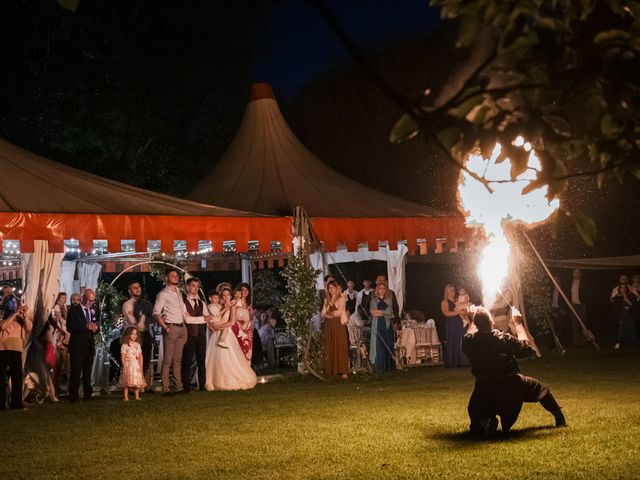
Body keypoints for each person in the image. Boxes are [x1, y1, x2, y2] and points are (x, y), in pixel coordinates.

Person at [462, 306, 566, 436]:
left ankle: (487, 420)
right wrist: (518, 324)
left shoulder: (470, 341)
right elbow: (526, 349)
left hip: (484, 388)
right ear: (491, 322)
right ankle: (559, 416)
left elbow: (469, 333)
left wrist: (472, 320)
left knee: (479, 406)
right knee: (540, 388)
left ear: (476, 324)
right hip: (510, 385)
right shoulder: (504, 339)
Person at [204, 287, 257, 390]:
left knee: (227, 357)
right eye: (223, 295)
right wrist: (212, 325)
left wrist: (217, 327)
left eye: (228, 295)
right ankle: (213, 381)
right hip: (216, 335)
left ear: (230, 295)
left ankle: (227, 380)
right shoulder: (218, 307)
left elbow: (232, 322)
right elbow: (214, 318)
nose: (226, 297)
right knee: (215, 359)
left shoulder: (232, 307)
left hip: (226, 334)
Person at [153, 269, 188, 396]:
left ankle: (178, 387)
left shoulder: (178, 292)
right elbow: (156, 312)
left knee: (177, 359)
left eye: (176, 275)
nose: (175, 277)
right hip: (171, 327)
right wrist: (165, 327)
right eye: (172, 275)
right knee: (168, 359)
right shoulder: (163, 293)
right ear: (167, 277)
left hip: (182, 327)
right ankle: (166, 388)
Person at [66, 289, 99, 403]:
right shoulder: (73, 311)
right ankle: (74, 396)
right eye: (88, 300)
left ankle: (88, 394)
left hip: (89, 346)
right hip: (77, 346)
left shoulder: (92, 311)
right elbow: (70, 328)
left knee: (87, 372)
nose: (90, 303)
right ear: (83, 298)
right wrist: (85, 327)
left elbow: (95, 326)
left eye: (92, 300)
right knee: (75, 372)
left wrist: (95, 329)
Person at [122, 281, 155, 389]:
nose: (138, 289)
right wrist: (143, 317)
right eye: (134, 287)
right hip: (133, 335)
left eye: (139, 287)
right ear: (129, 291)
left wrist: (141, 317)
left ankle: (145, 385)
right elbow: (132, 321)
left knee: (146, 359)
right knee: (134, 360)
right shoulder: (127, 305)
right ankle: (133, 385)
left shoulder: (147, 303)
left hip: (145, 333)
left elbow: (152, 318)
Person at [0, 301, 32, 410]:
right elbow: (3, 326)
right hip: (3, 349)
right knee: (1, 378)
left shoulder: (21, 320)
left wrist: (25, 316)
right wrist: (14, 314)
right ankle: (1, 405)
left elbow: (29, 328)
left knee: (17, 377)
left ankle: (16, 404)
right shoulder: (3, 316)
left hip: (17, 349)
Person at [181, 277, 210, 392]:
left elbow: (208, 318)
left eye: (197, 286)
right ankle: (186, 387)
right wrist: (203, 318)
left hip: (201, 335)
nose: (196, 288)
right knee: (187, 360)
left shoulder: (202, 303)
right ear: (187, 287)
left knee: (201, 361)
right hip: (189, 335)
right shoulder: (183, 303)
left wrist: (197, 318)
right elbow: (187, 320)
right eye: (193, 285)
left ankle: (202, 386)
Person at [321, 280, 349, 379]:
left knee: (340, 345)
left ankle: (343, 371)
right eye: (329, 288)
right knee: (330, 345)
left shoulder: (341, 298)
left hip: (338, 325)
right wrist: (328, 315)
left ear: (336, 288)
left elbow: (339, 311)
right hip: (329, 325)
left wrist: (329, 313)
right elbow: (323, 313)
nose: (331, 290)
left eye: (333, 287)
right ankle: (331, 369)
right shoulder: (326, 300)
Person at [441, 284, 469, 368]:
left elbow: (465, 309)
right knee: (453, 341)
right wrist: (459, 312)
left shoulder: (457, 300)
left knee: (462, 340)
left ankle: (463, 361)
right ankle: (454, 362)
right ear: (446, 292)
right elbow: (446, 313)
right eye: (449, 290)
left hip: (461, 322)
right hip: (452, 324)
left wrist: (465, 313)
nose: (452, 292)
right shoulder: (445, 302)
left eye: (453, 290)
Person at [369, 282, 395, 372]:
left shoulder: (389, 300)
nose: (382, 290)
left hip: (386, 325)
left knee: (387, 343)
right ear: (377, 290)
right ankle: (379, 367)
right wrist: (383, 312)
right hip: (377, 325)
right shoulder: (374, 300)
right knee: (378, 345)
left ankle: (388, 367)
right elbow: (372, 312)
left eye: (384, 288)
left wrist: (379, 312)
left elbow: (389, 312)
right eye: (380, 288)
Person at [118, 326, 145, 401]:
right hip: (128, 365)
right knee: (127, 382)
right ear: (128, 335)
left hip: (136, 365)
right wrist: (124, 365)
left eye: (136, 334)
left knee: (137, 381)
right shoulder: (125, 345)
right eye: (132, 334)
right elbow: (123, 356)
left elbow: (140, 356)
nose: (134, 336)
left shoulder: (137, 345)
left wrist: (141, 365)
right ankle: (126, 397)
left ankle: (137, 396)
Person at [51, 292, 69, 396]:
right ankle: (54, 390)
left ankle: (58, 389)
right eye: (62, 298)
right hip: (58, 338)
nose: (64, 300)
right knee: (56, 367)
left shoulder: (64, 309)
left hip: (65, 339)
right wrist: (65, 333)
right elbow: (57, 324)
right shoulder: (56, 308)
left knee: (63, 367)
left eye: (65, 298)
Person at [612, 283, 638, 349]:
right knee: (620, 328)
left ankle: (630, 343)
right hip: (620, 315)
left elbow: (633, 305)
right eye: (622, 288)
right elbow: (616, 307)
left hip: (629, 315)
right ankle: (618, 342)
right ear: (619, 289)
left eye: (624, 288)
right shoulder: (617, 297)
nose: (623, 289)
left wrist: (626, 298)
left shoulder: (631, 296)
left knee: (630, 328)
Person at [231, 285, 253, 362]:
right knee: (240, 345)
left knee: (248, 346)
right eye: (243, 290)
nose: (245, 292)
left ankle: (247, 364)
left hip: (248, 327)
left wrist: (250, 311)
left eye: (247, 290)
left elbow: (250, 318)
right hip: (238, 325)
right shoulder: (236, 301)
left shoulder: (248, 303)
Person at [568, 269, 588, 346]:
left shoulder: (583, 283)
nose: (576, 274)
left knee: (583, 323)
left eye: (578, 273)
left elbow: (586, 293)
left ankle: (584, 341)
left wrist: (584, 304)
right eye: (575, 272)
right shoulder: (570, 283)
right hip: (572, 306)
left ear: (580, 274)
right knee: (574, 324)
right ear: (572, 274)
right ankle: (576, 342)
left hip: (581, 305)